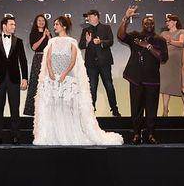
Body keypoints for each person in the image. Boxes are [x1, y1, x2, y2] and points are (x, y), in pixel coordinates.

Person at [34, 16, 123, 145]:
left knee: (66, 106)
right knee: (54, 105)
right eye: (54, 24)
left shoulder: (72, 41)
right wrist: (51, 72)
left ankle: (67, 134)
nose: (55, 27)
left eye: (57, 24)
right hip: (52, 78)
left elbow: (73, 61)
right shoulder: (52, 41)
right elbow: (48, 59)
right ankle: (55, 135)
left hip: (67, 79)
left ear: (64, 26)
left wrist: (64, 74)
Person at [118, 6, 168, 145]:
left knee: (152, 109)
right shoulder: (135, 35)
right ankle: (136, 134)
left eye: (151, 23)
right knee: (136, 108)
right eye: (146, 23)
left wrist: (148, 46)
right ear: (142, 24)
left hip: (152, 80)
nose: (149, 25)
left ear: (154, 24)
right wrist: (126, 18)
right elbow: (121, 36)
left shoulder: (160, 40)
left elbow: (163, 58)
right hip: (136, 78)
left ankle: (151, 134)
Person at [0, 16, 28, 145]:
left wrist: (25, 78)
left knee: (15, 108)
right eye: (12, 24)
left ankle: (16, 136)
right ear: (4, 26)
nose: (14, 27)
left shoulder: (18, 41)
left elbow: (23, 61)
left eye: (14, 25)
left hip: (14, 79)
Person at [78, 9, 121, 117]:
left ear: (96, 16)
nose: (88, 18)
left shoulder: (106, 28)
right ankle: (91, 111)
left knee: (109, 86)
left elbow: (110, 41)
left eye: (89, 16)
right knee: (92, 87)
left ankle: (114, 110)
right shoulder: (85, 30)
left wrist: (100, 42)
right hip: (91, 64)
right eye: (87, 17)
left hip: (104, 62)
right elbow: (81, 45)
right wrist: (87, 42)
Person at [159, 14, 184, 117]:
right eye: (166, 21)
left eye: (169, 21)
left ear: (175, 21)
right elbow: (159, 45)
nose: (167, 23)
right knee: (165, 85)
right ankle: (165, 109)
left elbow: (181, 43)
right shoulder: (163, 33)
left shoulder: (181, 31)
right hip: (166, 63)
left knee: (182, 83)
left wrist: (170, 41)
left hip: (177, 62)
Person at [23, 14, 51, 116]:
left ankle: (47, 110)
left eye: (43, 20)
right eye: (39, 20)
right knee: (35, 83)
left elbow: (52, 46)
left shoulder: (48, 33)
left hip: (48, 59)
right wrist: (43, 37)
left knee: (48, 83)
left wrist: (48, 36)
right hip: (38, 58)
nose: (41, 22)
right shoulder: (33, 33)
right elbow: (34, 47)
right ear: (36, 22)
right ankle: (32, 110)